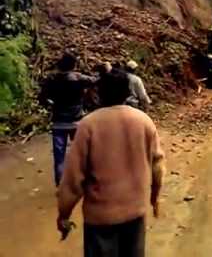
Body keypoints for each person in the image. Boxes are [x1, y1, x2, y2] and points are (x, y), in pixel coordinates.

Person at [57, 71, 166, 257]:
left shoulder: (88, 125)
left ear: (100, 92)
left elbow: (73, 179)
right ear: (127, 92)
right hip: (135, 213)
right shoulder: (144, 122)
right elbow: (157, 165)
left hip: (101, 219)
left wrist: (64, 214)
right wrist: (154, 197)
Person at [39, 52, 96, 186]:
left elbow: (42, 98)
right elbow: (95, 80)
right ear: (74, 65)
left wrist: (50, 103)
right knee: (81, 152)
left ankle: (61, 184)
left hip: (58, 121)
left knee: (59, 157)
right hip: (76, 121)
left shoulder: (51, 79)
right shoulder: (79, 78)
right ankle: (82, 180)